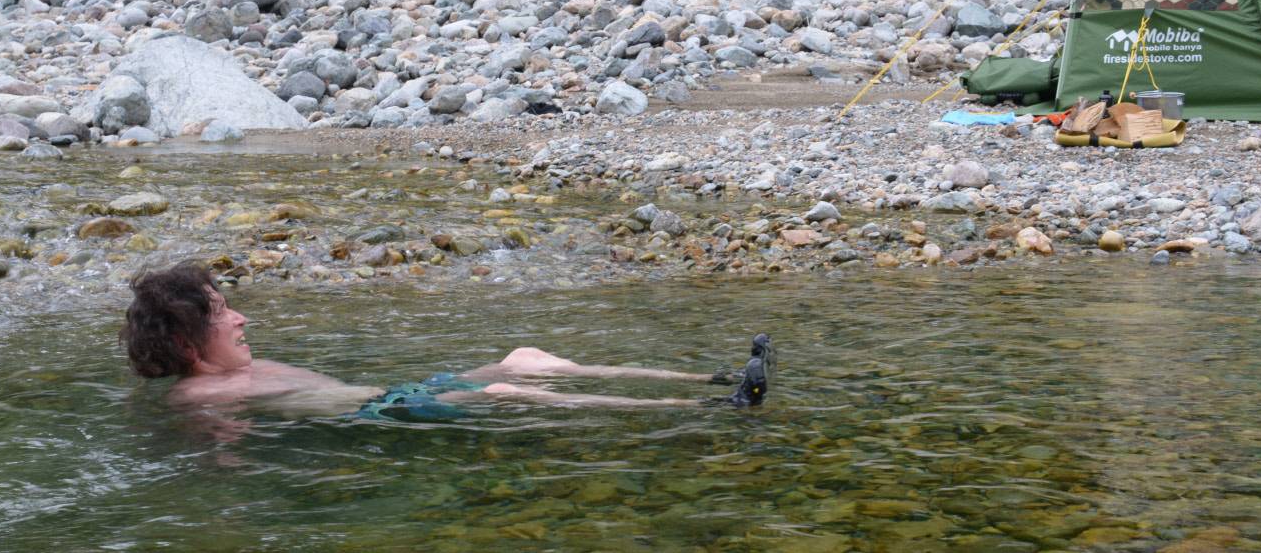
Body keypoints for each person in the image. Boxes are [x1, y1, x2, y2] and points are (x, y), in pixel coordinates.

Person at [119, 263, 772, 423]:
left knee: (527, 355)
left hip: (406, 389)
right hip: (385, 412)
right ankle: (719, 410)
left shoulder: (226, 374)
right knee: (505, 386)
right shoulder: (201, 397)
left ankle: (715, 377)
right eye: (223, 313)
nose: (242, 319)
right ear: (186, 339)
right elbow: (221, 451)